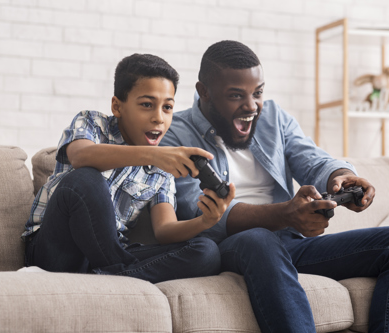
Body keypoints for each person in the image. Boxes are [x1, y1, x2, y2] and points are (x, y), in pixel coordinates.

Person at [160, 40, 389, 332]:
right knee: (258, 239)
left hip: (288, 244)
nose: (251, 106)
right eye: (236, 95)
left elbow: (311, 159)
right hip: (228, 246)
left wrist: (340, 176)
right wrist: (285, 215)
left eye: (258, 93)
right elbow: (196, 214)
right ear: (204, 92)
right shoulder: (174, 134)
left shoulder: (273, 118)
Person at [22, 53, 235, 284]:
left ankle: (105, 278)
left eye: (167, 107)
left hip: (105, 256)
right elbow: (80, 156)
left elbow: (165, 230)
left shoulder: (161, 171)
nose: (159, 118)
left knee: (206, 252)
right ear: (117, 106)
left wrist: (206, 221)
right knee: (84, 179)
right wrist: (155, 154)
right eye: (147, 105)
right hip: (57, 248)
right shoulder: (92, 123)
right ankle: (121, 276)